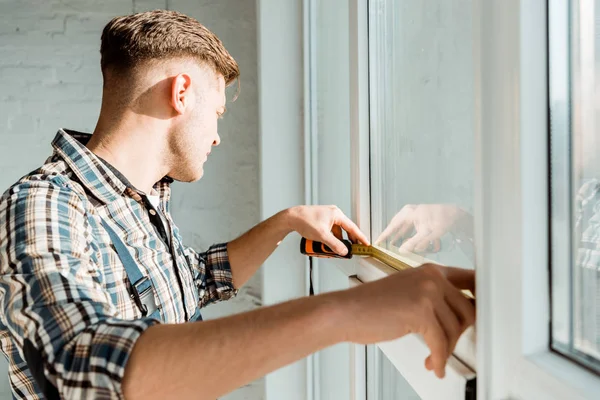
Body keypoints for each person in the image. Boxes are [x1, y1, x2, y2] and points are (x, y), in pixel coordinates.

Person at [0, 10, 475, 399]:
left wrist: (285, 223)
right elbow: (75, 366)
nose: (218, 136)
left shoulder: (139, 201)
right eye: (217, 112)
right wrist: (346, 312)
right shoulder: (42, 207)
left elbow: (195, 281)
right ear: (181, 92)